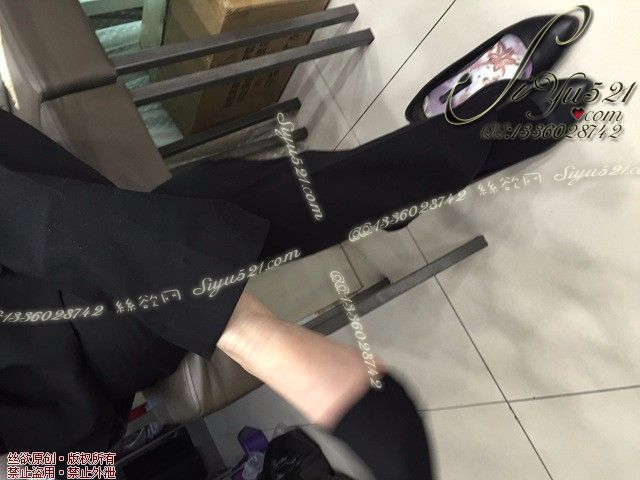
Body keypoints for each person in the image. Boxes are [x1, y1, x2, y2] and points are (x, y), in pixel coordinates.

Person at [0, 76, 585, 478]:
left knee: (212, 211)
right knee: (218, 206)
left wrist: (241, 326)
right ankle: (446, 157)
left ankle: (436, 162)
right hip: (65, 392)